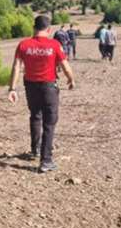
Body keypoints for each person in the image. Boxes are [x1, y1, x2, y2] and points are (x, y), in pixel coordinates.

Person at [8, 15, 75, 173]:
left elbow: (16, 66)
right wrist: (71, 79)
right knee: (49, 122)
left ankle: (35, 149)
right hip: (48, 87)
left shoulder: (23, 45)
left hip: (30, 85)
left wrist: (12, 88)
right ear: (49, 29)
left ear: (34, 28)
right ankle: (46, 161)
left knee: (35, 115)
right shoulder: (54, 44)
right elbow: (65, 65)